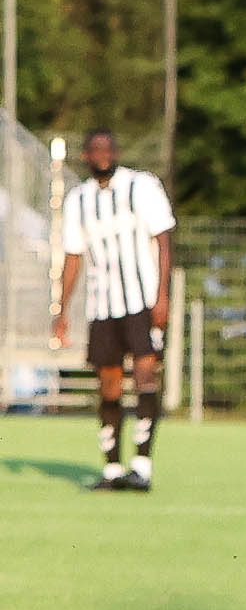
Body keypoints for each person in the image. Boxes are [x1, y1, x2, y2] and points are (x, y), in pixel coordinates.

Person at [49, 130, 174, 491]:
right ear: (86, 155)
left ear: (116, 152)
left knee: (146, 374)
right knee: (109, 382)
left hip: (140, 299)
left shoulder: (142, 186)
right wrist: (62, 309)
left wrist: (162, 295)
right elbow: (74, 256)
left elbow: (164, 240)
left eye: (108, 149)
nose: (102, 155)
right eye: (95, 150)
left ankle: (142, 463)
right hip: (102, 305)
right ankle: (112, 468)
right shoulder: (78, 200)